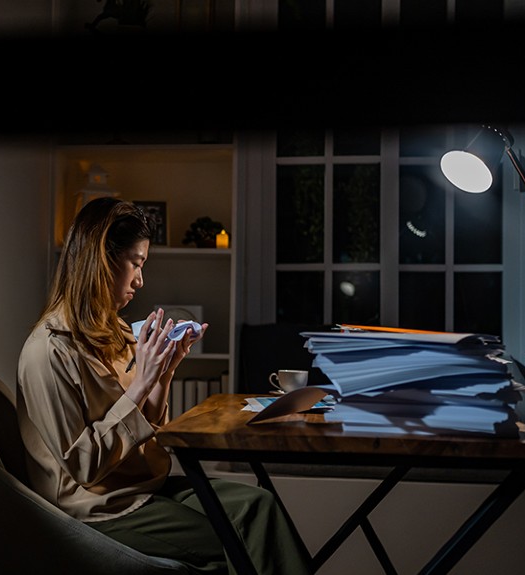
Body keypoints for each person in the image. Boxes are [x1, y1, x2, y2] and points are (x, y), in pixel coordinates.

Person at [16, 197, 310, 574]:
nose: (141, 280)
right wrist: (142, 382)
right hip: (99, 509)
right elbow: (84, 467)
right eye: (136, 263)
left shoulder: (114, 331)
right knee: (241, 536)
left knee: (259, 505)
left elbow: (145, 427)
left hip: (142, 488)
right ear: (101, 262)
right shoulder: (48, 351)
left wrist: (164, 372)